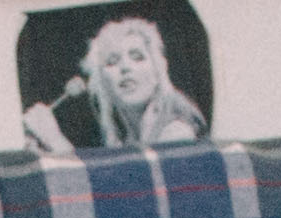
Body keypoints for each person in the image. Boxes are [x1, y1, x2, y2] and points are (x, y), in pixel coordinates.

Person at [31, 9, 204, 148]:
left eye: (137, 57)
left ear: (158, 71)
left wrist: (55, 141)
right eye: (112, 62)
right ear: (101, 83)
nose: (125, 68)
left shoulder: (177, 130)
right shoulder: (125, 138)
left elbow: (130, 191)